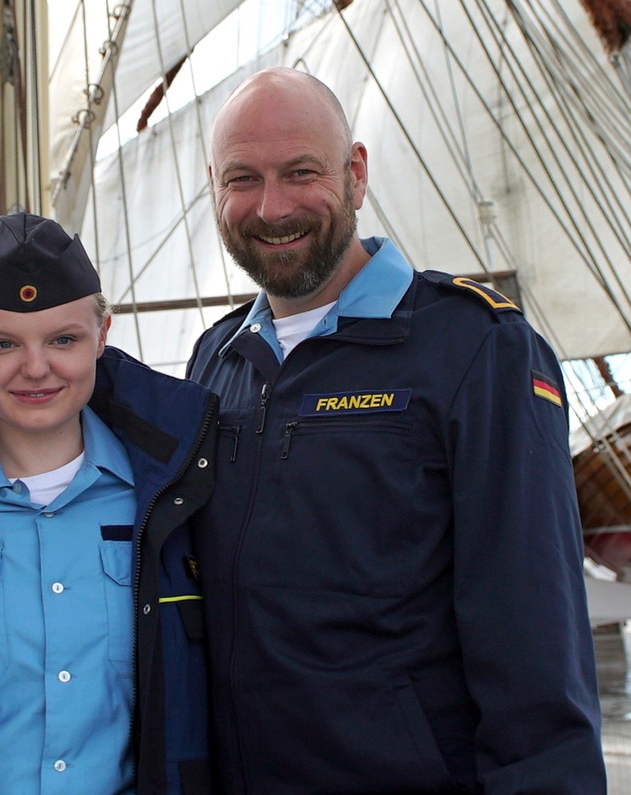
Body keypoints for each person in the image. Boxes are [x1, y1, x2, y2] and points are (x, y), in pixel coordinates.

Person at [187, 66, 606, 793]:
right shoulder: (214, 360)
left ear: (356, 173)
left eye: (301, 173)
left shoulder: (477, 350)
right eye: (243, 179)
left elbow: (537, 654)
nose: (272, 206)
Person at [0, 211, 217, 793]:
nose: (35, 368)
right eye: (4, 343)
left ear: (102, 337)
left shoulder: (178, 497)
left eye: (63, 339)